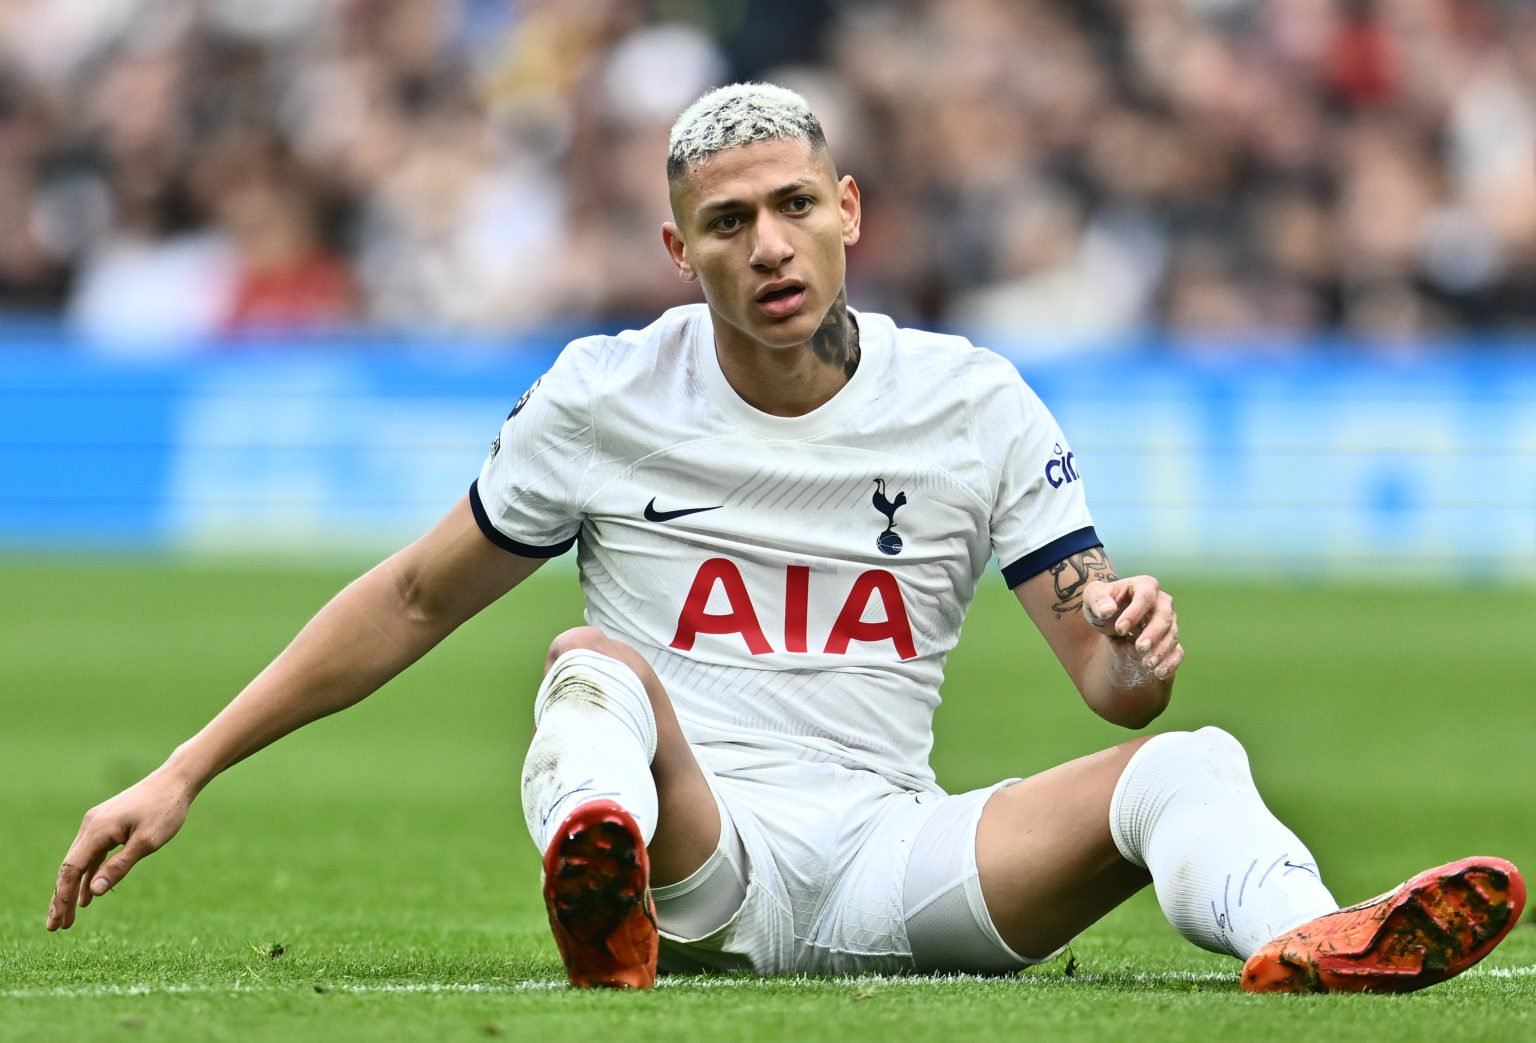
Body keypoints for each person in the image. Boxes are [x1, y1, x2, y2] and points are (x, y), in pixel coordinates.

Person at [48, 83, 1524, 993]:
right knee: (591, 671)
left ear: (850, 214)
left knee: (1193, 765)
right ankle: (607, 892)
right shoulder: (602, 396)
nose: (769, 244)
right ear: (677, 251)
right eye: (730, 220)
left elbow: (1111, 688)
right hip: (708, 847)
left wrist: (1138, 647)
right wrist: (184, 770)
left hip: (901, 856)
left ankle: (1312, 940)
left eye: (796, 206)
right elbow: (419, 597)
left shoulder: (975, 401)